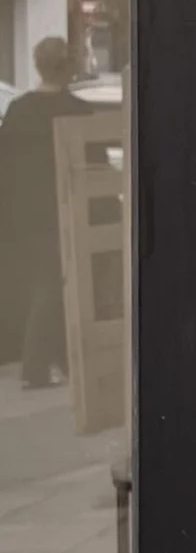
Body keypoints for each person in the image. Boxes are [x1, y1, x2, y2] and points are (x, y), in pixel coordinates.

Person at [0, 36, 91, 386]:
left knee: (43, 283)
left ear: (38, 66)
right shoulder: (78, 111)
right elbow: (93, 166)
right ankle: (36, 369)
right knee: (55, 286)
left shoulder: (18, 110)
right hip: (62, 210)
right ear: (68, 67)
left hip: (22, 215)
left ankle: (61, 362)